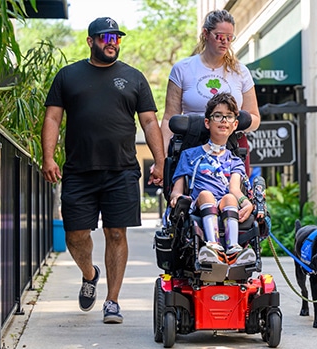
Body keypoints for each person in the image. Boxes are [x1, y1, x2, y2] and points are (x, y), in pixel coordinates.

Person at [41, 17, 164, 324]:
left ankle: (112, 301)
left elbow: (149, 121)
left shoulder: (134, 78)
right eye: (105, 37)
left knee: (116, 233)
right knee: (76, 234)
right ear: (90, 41)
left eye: (116, 38)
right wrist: (48, 157)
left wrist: (160, 161)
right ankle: (89, 274)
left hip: (121, 169)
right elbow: (53, 118)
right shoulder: (68, 76)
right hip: (79, 170)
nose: (112, 42)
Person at [161, 9, 260, 173]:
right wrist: (162, 158)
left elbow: (255, 118)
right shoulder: (183, 69)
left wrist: (235, 121)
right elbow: (168, 118)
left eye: (229, 38)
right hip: (191, 144)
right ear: (206, 33)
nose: (225, 42)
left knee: (233, 196)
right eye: (220, 36)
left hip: (232, 146)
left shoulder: (240, 71)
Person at [169, 92, 257, 266]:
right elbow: (177, 191)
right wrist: (176, 198)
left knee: (230, 197)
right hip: (198, 204)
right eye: (218, 116)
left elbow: (235, 190)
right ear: (207, 122)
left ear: (235, 124)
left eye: (229, 116)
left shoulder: (235, 161)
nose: (224, 120)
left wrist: (247, 202)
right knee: (206, 194)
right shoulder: (189, 155)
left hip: (226, 203)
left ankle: (233, 248)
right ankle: (213, 246)